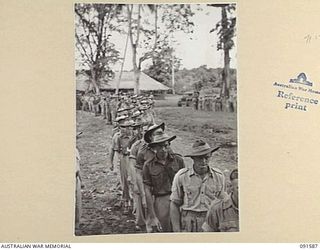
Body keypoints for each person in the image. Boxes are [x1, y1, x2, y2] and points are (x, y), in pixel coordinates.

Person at [170, 139, 226, 232]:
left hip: (211, 222)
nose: (204, 161)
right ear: (193, 158)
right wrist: (176, 230)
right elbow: (174, 203)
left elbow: (222, 204)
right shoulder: (182, 176)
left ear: (210, 156)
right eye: (200, 158)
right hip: (189, 223)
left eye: (206, 157)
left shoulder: (219, 176)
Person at [143, 130, 185, 232]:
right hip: (161, 201)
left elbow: (185, 183)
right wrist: (152, 216)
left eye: (165, 145)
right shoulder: (148, 165)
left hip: (179, 200)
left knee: (180, 231)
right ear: (154, 148)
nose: (163, 149)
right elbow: (147, 191)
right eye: (159, 146)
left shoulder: (178, 160)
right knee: (163, 231)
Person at [110, 119, 134, 215]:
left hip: (134, 159)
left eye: (128, 127)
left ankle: (135, 203)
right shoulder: (118, 137)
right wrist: (112, 164)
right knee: (124, 181)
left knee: (134, 181)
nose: (126, 129)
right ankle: (126, 202)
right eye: (123, 127)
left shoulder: (135, 136)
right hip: (124, 159)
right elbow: (113, 150)